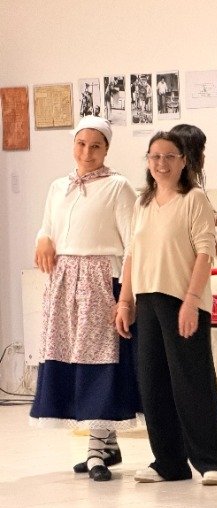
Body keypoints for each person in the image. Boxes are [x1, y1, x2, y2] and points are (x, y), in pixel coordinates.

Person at [114, 131, 217, 486]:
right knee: (153, 384)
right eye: (155, 157)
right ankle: (169, 462)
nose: (161, 163)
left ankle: (214, 461)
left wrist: (191, 301)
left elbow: (204, 252)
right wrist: (125, 300)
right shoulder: (142, 203)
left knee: (193, 382)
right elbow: (131, 254)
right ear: (147, 162)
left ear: (183, 161)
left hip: (183, 300)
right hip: (147, 301)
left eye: (169, 156)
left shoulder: (194, 199)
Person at [29, 115, 142, 482]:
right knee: (73, 359)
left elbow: (133, 243)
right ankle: (107, 445)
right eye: (81, 144)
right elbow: (49, 225)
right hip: (64, 282)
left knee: (100, 360)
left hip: (99, 281)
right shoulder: (58, 186)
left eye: (95, 146)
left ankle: (96, 449)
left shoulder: (118, 186)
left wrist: (125, 298)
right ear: (73, 145)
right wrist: (42, 238)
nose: (87, 152)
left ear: (106, 149)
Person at [169, 123, 217, 278]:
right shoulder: (189, 192)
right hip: (183, 274)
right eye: (202, 150)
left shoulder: (176, 188)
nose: (204, 156)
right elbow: (201, 232)